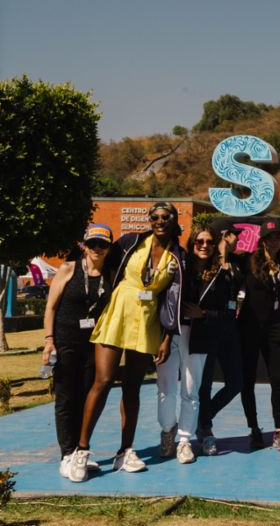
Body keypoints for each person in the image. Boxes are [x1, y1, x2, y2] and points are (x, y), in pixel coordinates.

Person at [71, 202, 183, 482]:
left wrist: (168, 336)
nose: (159, 221)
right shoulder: (132, 241)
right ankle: (81, 450)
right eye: (154, 217)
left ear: (173, 220)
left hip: (146, 323)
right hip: (118, 313)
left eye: (165, 217)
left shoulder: (178, 256)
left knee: (132, 387)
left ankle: (126, 450)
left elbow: (173, 298)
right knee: (104, 380)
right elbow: (102, 262)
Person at [43, 224, 113, 479]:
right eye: (92, 243)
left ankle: (79, 451)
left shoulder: (110, 276)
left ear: (108, 248)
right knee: (66, 398)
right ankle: (66, 453)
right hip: (65, 341)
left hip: (95, 344)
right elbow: (50, 307)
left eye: (102, 244)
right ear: (84, 245)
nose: (97, 249)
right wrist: (49, 340)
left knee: (86, 397)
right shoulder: (68, 269)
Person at [154, 226, 217, 464]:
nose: (204, 246)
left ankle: (184, 440)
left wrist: (204, 314)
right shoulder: (178, 267)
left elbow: (226, 311)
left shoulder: (219, 273)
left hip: (199, 334)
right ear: (191, 245)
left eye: (209, 242)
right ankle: (167, 431)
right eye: (199, 241)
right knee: (166, 389)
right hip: (170, 333)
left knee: (191, 392)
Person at [238, 220, 280, 451]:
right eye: (270, 237)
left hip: (273, 327)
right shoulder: (247, 260)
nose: (274, 241)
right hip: (249, 327)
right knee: (247, 380)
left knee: (278, 379)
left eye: (278, 237)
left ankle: (279, 430)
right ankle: (254, 428)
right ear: (262, 240)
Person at [191, 222, 244, 456]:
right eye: (234, 235)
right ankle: (205, 430)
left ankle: (202, 418)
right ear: (224, 236)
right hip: (207, 331)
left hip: (229, 330)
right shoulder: (205, 267)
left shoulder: (238, 263)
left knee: (236, 383)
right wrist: (204, 315)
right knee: (204, 386)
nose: (238, 240)